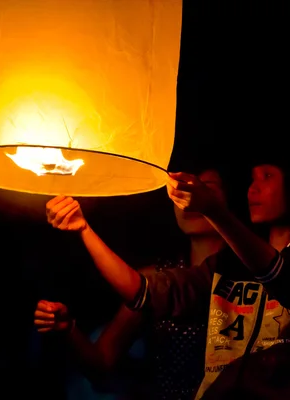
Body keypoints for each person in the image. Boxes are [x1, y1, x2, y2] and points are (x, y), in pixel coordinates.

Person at [46, 156, 290, 399]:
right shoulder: (226, 266)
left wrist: (214, 211)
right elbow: (144, 293)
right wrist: (83, 229)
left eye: (268, 176)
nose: (253, 188)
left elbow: (280, 276)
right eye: (252, 178)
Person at [34, 163, 244, 400]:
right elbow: (101, 363)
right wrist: (68, 330)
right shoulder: (154, 278)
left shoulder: (252, 277)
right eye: (181, 187)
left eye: (207, 187)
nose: (191, 195)